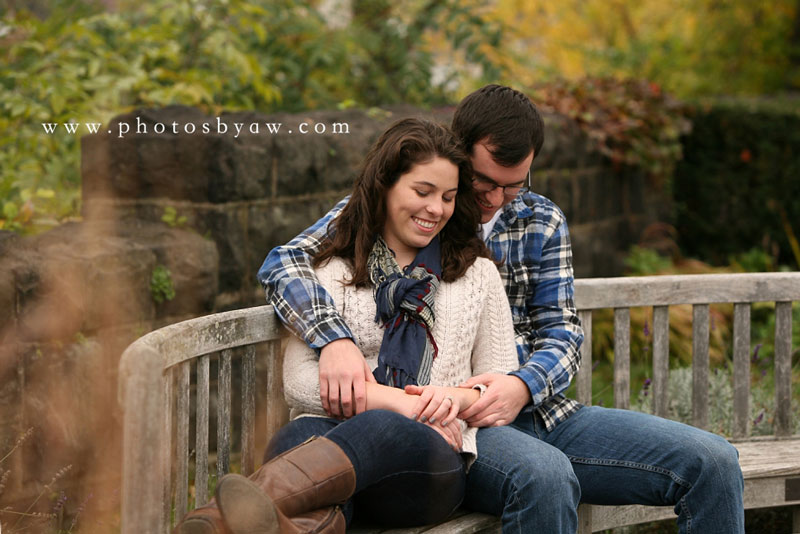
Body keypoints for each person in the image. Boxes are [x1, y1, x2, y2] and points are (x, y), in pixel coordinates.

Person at [258, 84, 746, 534]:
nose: (496, 200)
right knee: (542, 476)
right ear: (456, 153)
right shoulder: (409, 205)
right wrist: (334, 339)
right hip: (452, 425)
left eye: (513, 185)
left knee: (713, 461)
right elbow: (286, 262)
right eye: (484, 183)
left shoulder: (540, 219)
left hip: (535, 411)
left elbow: (562, 331)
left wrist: (521, 384)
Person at [175, 117, 525, 534]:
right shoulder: (330, 271)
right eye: (422, 191)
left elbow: (498, 379)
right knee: (292, 445)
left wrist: (447, 403)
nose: (437, 208)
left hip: (428, 462)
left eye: (448, 197)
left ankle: (213, 520)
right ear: (384, 186)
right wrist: (409, 405)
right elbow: (301, 383)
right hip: (331, 439)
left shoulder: (477, 274)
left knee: (382, 429)